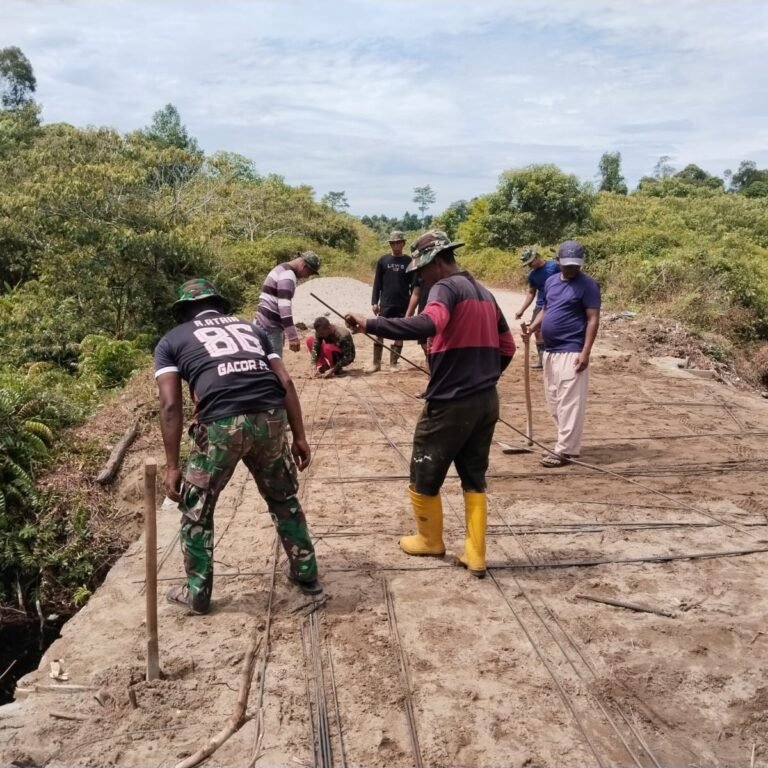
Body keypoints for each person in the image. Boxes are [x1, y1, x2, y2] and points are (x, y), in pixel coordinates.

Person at [346, 230, 515, 578]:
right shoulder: (484, 292)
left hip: (451, 402)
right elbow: (507, 346)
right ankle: (475, 554)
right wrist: (483, 376)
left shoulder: (445, 288)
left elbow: (430, 322)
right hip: (486, 402)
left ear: (436, 262)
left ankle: (429, 539)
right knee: (474, 475)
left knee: (425, 466)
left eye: (421, 270)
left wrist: (371, 324)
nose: (419, 277)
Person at [155, 278, 322, 615]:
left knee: (197, 511)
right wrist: (300, 436)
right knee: (283, 498)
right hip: (271, 418)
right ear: (219, 304)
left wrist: (173, 466)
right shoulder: (253, 330)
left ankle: (198, 592)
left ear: (185, 311)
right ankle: (306, 573)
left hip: (221, 424)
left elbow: (170, 405)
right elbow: (285, 381)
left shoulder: (171, 340)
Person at [522, 240, 600, 468]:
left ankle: (564, 450)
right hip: (551, 351)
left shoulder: (588, 285)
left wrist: (586, 352)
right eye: (567, 265)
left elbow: (593, 318)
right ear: (559, 262)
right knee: (554, 401)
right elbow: (546, 309)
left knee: (570, 403)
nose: (572, 269)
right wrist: (533, 328)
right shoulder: (552, 281)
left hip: (572, 350)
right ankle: (566, 443)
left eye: (576, 265)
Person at [254, 251, 321, 357]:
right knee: (274, 365)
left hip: (261, 323)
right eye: (309, 273)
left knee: (262, 362)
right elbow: (284, 308)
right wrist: (292, 336)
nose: (307, 277)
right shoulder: (288, 276)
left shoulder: (281, 269)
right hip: (270, 327)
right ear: (304, 266)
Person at [368, 230, 413, 372]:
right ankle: (376, 363)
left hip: (402, 303)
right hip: (386, 303)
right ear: (390, 244)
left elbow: (414, 286)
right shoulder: (383, 261)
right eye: (393, 243)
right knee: (379, 331)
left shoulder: (409, 262)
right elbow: (377, 283)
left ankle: (394, 363)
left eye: (399, 242)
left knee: (399, 333)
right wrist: (374, 301)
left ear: (403, 243)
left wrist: (411, 307)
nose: (396, 245)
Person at [514, 246, 560, 368]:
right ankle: (542, 360)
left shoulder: (554, 266)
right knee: (536, 331)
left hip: (557, 303)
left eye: (530, 263)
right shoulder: (532, 275)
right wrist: (521, 310)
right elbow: (531, 293)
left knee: (554, 330)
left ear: (537, 257)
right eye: (527, 264)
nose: (530, 266)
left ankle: (556, 359)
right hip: (541, 305)